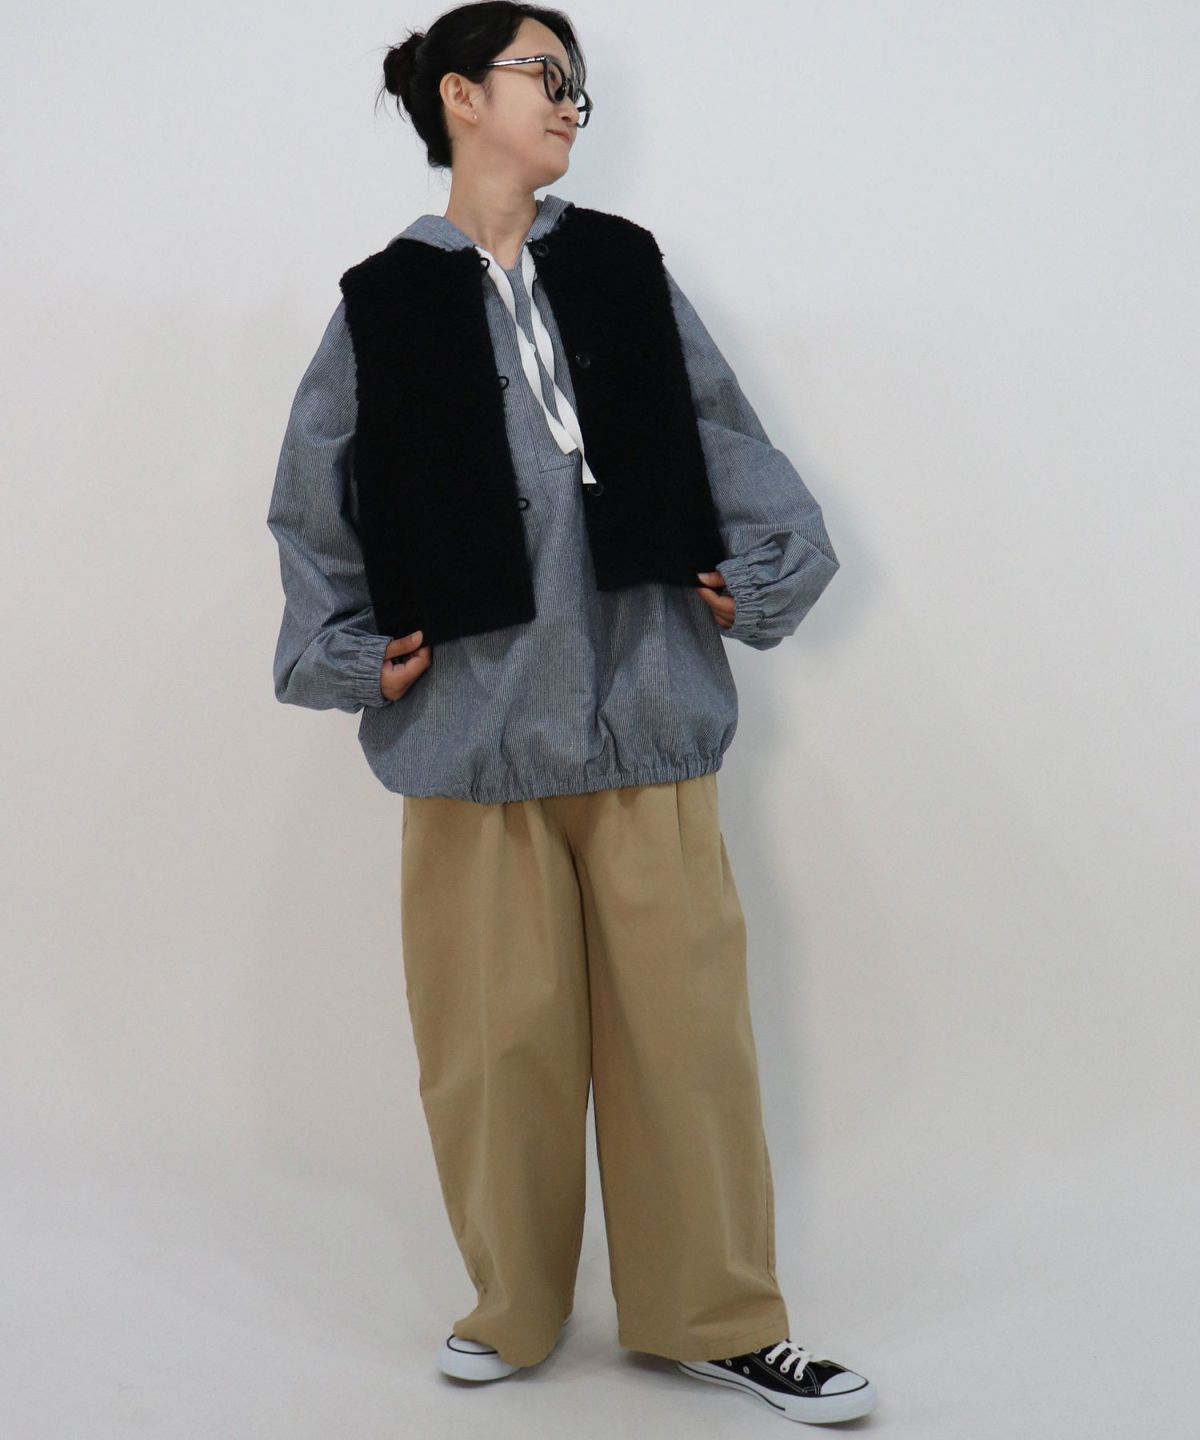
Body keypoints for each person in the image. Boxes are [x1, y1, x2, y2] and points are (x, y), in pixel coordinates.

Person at [266, 2, 877, 1425]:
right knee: (496, 1049)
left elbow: (725, 435)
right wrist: (351, 656)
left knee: (688, 1041)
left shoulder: (622, 268)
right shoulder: (380, 304)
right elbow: (312, 505)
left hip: (647, 712)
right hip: (472, 738)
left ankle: (717, 1318)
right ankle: (515, 1306)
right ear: (460, 95)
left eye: (577, 87)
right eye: (546, 75)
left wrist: (766, 573)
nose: (569, 104)